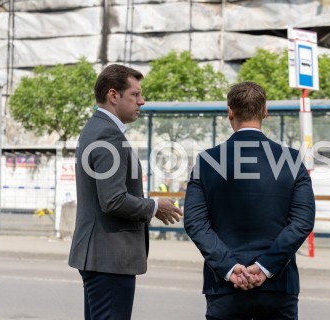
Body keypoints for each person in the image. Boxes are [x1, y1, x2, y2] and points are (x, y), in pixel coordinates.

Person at [184, 82, 315, 320]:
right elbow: (302, 222)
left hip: (224, 287)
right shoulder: (292, 160)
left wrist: (229, 268)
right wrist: (265, 267)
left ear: (230, 112)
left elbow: (195, 223)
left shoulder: (207, 161)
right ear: (265, 111)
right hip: (279, 285)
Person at [68, 64, 183, 320]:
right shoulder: (109, 136)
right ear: (113, 95)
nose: (141, 101)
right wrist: (155, 207)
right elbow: (113, 200)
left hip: (100, 256)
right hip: (109, 257)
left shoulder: (96, 128)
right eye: (135, 94)